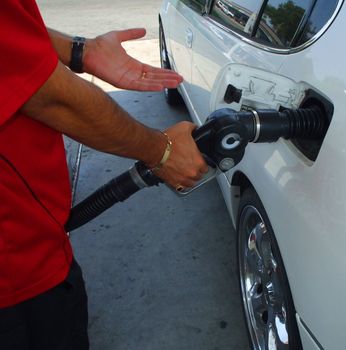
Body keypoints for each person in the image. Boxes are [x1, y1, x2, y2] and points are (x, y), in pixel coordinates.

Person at [0, 1, 208, 349]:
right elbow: (51, 99)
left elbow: (13, 32)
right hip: (17, 271)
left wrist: (81, 52)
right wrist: (162, 152)